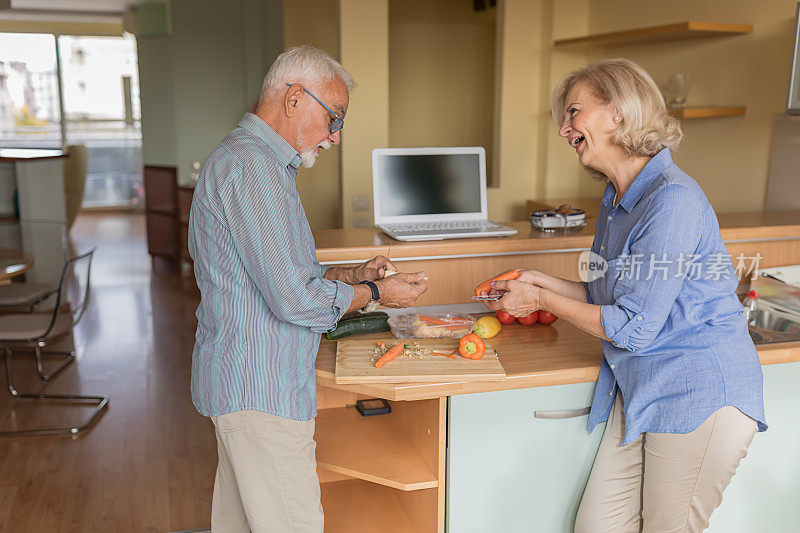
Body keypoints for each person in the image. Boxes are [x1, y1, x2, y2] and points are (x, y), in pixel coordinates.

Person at [485, 58, 766, 532]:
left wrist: (542, 303)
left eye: (574, 112)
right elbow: (605, 292)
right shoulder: (619, 198)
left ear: (618, 113)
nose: (564, 128)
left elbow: (633, 326)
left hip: (698, 395)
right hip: (644, 391)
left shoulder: (671, 200)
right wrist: (539, 282)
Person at [188, 45, 427, 532]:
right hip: (263, 392)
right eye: (334, 118)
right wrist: (379, 297)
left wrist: (354, 278)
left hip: (247, 386)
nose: (336, 137)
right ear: (294, 98)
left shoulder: (258, 164)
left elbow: (286, 276)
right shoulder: (253, 169)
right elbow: (295, 299)